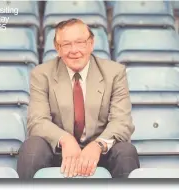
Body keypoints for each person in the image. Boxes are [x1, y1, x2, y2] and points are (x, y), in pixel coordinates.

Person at [17, 18, 140, 179]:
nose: (74, 50)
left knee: (126, 151)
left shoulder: (114, 73)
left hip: (99, 152)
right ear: (57, 48)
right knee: (31, 148)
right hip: (59, 151)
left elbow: (122, 122)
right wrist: (65, 140)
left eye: (80, 42)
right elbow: (37, 121)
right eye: (66, 44)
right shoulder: (41, 74)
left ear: (91, 44)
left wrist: (98, 145)